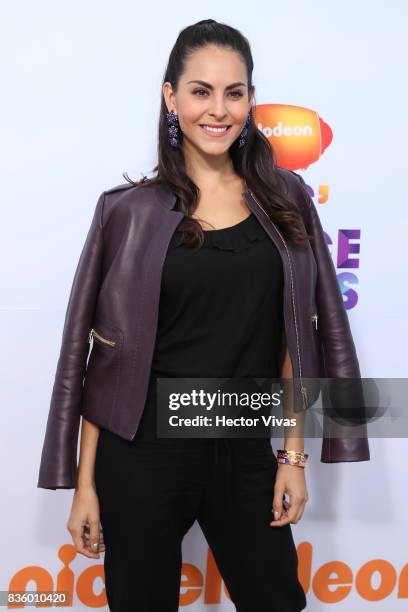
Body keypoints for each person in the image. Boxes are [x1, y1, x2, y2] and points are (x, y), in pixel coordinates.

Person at [37, 18, 369, 612]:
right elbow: (104, 361)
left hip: (243, 443)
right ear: (171, 96)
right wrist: (86, 486)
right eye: (200, 91)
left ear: (249, 100)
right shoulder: (127, 212)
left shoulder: (285, 198)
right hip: (140, 452)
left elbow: (296, 342)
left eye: (234, 92)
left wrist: (293, 456)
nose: (218, 110)